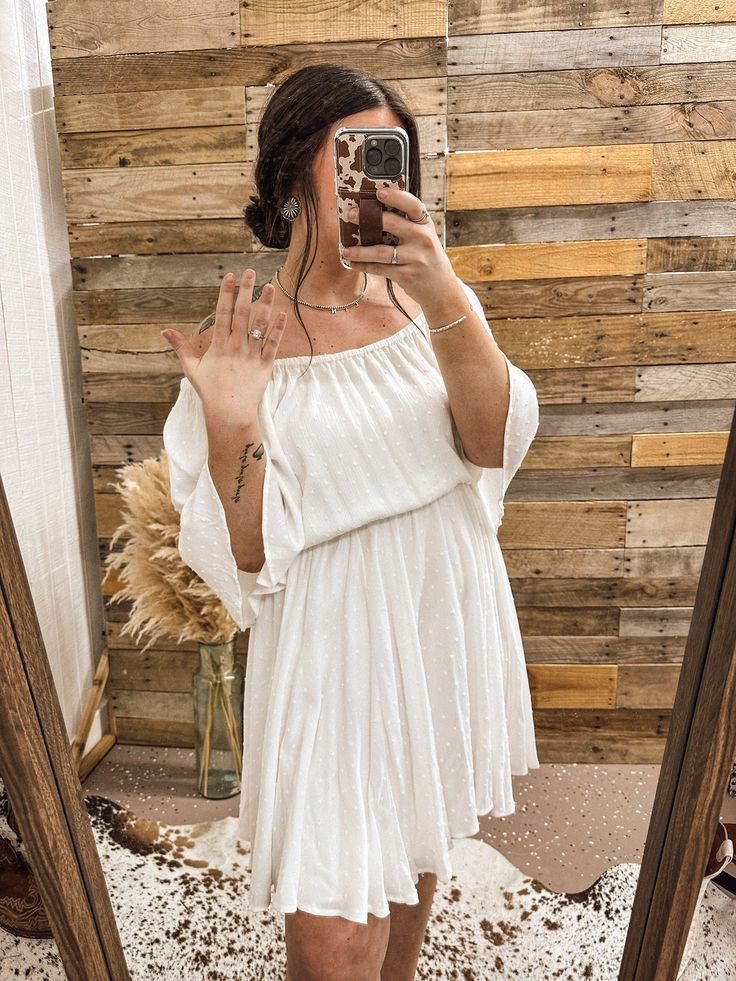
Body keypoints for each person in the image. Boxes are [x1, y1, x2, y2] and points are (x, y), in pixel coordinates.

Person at [161, 64, 540, 981]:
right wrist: (234, 420)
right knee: (334, 924)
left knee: (414, 853)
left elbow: (489, 442)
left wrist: (447, 291)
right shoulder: (243, 342)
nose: (372, 182)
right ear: (296, 173)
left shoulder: (427, 305)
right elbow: (248, 552)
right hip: (330, 641)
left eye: (387, 158)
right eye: (348, 157)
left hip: (435, 606)